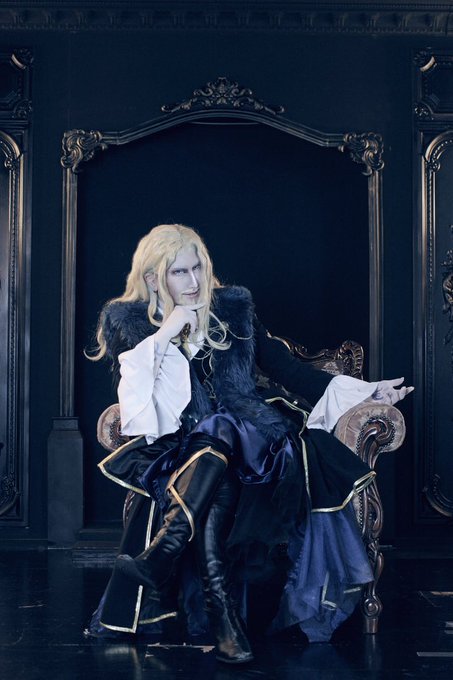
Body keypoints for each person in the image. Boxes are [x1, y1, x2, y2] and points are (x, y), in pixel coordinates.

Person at [85, 223, 413, 663]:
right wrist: (166, 333)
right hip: (188, 450)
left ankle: (165, 551)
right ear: (153, 278)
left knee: (220, 426)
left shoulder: (233, 309)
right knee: (214, 470)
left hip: (255, 440)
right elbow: (136, 405)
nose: (194, 281)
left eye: (198, 268)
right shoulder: (130, 321)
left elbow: (291, 371)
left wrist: (370, 393)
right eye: (180, 272)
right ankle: (223, 619)